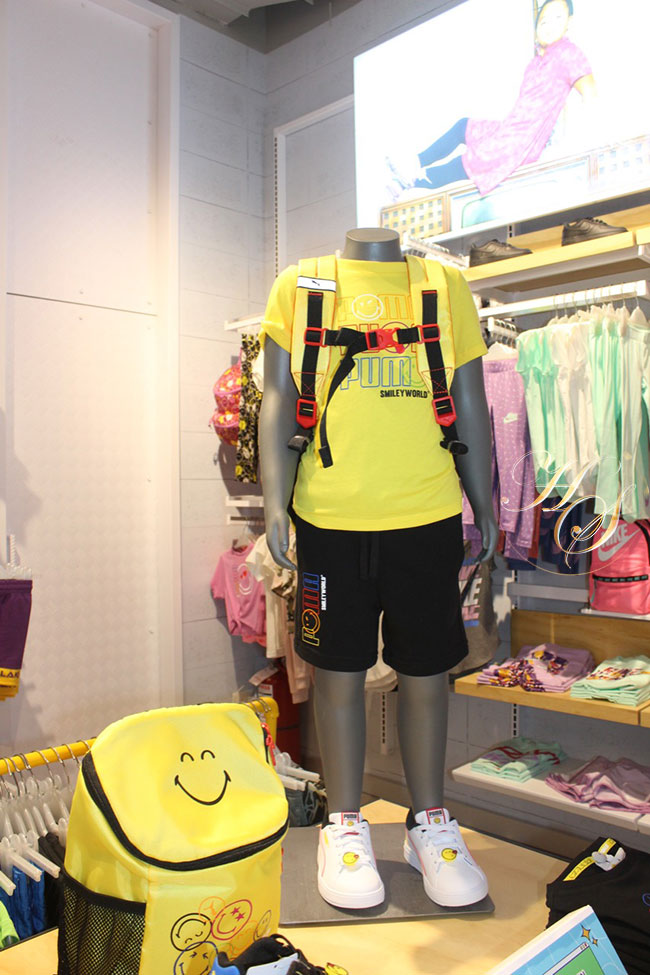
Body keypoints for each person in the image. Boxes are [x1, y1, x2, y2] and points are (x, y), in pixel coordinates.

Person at [259, 227, 498, 912]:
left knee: (427, 675)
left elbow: (471, 401)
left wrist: (484, 503)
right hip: (328, 524)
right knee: (336, 676)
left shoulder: (444, 286)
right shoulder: (301, 286)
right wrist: (275, 503)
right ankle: (343, 825)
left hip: (427, 519)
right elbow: (277, 398)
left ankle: (430, 825)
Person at [390, 0, 595, 198]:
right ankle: (414, 165)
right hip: (510, 130)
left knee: (470, 162)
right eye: (544, 21)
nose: (549, 25)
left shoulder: (569, 53)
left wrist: (575, 149)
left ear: (569, 22)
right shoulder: (535, 63)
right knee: (464, 127)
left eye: (558, 17)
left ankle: (408, 181)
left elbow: (589, 95)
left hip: (520, 142)